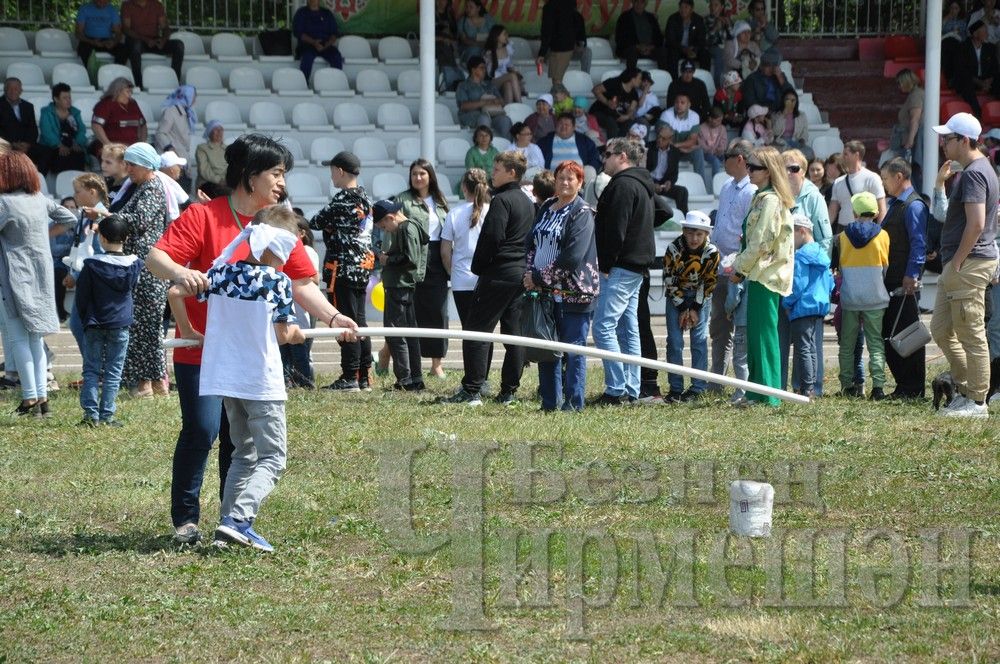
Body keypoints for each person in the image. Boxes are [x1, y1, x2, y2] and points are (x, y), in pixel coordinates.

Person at [147, 133, 358, 544]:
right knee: (202, 430)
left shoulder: (277, 224)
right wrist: (180, 273)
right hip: (204, 352)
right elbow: (158, 258)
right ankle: (186, 521)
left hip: (252, 356)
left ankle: (233, 522)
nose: (282, 183)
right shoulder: (203, 216)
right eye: (276, 173)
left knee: (237, 441)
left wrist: (333, 315)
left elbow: (300, 283)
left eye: (283, 174)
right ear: (249, 175)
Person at [167, 206, 306, 553]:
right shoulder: (277, 282)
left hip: (227, 379)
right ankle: (238, 520)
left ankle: (228, 529)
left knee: (243, 454)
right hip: (261, 380)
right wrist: (296, 335)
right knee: (273, 458)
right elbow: (282, 333)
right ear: (280, 249)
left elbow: (175, 292)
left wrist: (188, 330)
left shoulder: (222, 273)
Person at [443, 151, 534, 405]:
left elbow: (491, 238)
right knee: (513, 334)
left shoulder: (502, 201)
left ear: (511, 173)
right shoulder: (527, 201)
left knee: (477, 331)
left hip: (498, 273)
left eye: (497, 169)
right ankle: (508, 391)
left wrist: (479, 266)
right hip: (519, 274)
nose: (493, 173)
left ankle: (472, 390)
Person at [82, 143, 170, 398]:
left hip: (148, 268)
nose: (127, 168)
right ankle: (153, 383)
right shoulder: (142, 187)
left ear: (144, 165)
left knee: (146, 327)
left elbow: (137, 221)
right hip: (143, 266)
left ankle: (146, 384)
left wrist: (105, 216)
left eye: (131, 164)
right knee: (145, 327)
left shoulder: (151, 188)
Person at [930, 113, 999, 418]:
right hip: (961, 264)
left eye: (948, 138)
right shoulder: (975, 170)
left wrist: (957, 261)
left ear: (965, 141)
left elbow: (977, 223)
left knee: (971, 334)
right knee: (942, 329)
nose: (943, 143)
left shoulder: (973, 174)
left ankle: (977, 401)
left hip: (967, 263)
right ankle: (965, 388)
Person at [0, 151, 76, 415]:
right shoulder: (39, 198)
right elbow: (70, 218)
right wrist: (44, 234)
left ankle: (30, 397)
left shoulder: (4, 203)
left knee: (18, 338)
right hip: (40, 274)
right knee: (35, 338)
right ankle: (41, 397)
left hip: (14, 275)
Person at [524, 160, 599, 412]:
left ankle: (573, 404)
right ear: (554, 181)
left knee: (573, 350)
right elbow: (532, 243)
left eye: (571, 178)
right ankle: (549, 403)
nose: (565, 183)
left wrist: (539, 276)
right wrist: (530, 273)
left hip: (574, 293)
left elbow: (572, 256)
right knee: (547, 348)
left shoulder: (583, 212)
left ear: (580, 183)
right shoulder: (546, 206)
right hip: (543, 293)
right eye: (561, 178)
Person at [591, 137, 654, 405]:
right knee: (628, 329)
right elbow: (662, 211)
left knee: (603, 328)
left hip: (620, 266)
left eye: (608, 154)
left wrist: (605, 264)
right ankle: (631, 387)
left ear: (623, 157)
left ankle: (616, 390)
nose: (603, 159)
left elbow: (616, 229)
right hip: (636, 266)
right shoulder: (643, 184)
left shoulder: (623, 185)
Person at [730, 145, 794, 406]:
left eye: (754, 167)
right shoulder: (761, 197)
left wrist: (738, 269)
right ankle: (757, 392)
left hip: (766, 275)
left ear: (768, 171)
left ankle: (768, 396)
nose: (748, 171)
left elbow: (761, 241)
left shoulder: (770, 201)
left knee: (764, 336)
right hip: (759, 274)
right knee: (756, 336)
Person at [309, 150, 374, 392]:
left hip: (343, 268)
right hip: (363, 265)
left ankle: (350, 376)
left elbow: (315, 221)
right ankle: (364, 375)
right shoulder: (365, 198)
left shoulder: (342, 200)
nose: (331, 176)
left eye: (332, 171)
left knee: (345, 321)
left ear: (340, 171)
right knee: (360, 321)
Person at [75, 214, 143, 427]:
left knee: (92, 369)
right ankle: (107, 415)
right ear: (126, 238)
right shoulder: (134, 265)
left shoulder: (92, 264)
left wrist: (86, 317)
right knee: (114, 371)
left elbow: (82, 297)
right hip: (120, 323)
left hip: (95, 322)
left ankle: (90, 415)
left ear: (102, 238)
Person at [708, 138, 756, 391]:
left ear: (739, 159)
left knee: (741, 330)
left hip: (740, 268)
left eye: (726, 157)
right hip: (719, 266)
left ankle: (742, 386)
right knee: (719, 327)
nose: (722, 161)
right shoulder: (727, 186)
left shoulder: (753, 191)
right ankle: (717, 380)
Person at [397, 159, 451, 380]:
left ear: (430, 176)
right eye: (414, 174)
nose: (418, 178)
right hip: (412, 256)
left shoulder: (440, 200)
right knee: (410, 312)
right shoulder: (403, 199)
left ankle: (436, 363)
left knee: (438, 312)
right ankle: (394, 355)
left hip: (437, 257)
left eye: (422, 174)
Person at [833, 191, 890, 400]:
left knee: (847, 345)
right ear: (875, 212)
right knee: (875, 343)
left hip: (850, 298)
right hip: (876, 298)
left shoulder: (842, 237)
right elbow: (885, 267)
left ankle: (847, 386)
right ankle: (878, 388)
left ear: (855, 211)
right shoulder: (883, 235)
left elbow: (839, 267)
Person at [879, 157, 927, 399]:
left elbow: (918, 243)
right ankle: (904, 385)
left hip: (904, 282)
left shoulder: (913, 206)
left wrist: (912, 273)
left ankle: (913, 388)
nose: (884, 184)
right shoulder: (897, 203)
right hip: (893, 280)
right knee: (892, 333)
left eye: (886, 178)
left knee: (908, 334)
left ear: (899, 177)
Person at [662, 210, 720, 402]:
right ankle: (676, 388)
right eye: (690, 233)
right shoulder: (673, 249)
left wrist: (694, 308)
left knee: (699, 341)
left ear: (706, 235)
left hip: (701, 296)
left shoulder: (712, 253)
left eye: (699, 234)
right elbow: (669, 279)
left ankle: (698, 387)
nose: (694, 238)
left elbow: (709, 282)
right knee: (675, 342)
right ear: (683, 231)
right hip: (675, 295)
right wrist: (681, 308)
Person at [374, 199, 429, 391]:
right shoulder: (409, 227)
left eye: (384, 226)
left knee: (396, 333)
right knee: (408, 333)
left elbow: (409, 258)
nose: (386, 230)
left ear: (391, 217)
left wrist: (387, 259)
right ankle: (414, 377)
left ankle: (405, 379)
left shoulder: (405, 228)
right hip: (403, 286)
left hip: (399, 285)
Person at [779, 214, 832, 397]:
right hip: (818, 307)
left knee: (802, 349)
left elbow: (797, 284)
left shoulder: (801, 256)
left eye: (790, 233)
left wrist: (786, 302)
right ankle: (811, 386)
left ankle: (806, 388)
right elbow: (830, 283)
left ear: (802, 231)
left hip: (802, 307)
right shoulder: (821, 254)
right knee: (811, 348)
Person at [441, 168, 490, 328]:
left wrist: (451, 272)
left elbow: (445, 252)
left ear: (464, 187)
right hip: (485, 278)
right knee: (485, 331)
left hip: (461, 278)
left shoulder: (454, 213)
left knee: (467, 329)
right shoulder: (492, 210)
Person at [281, 215, 319, 388]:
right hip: (287, 308)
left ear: (302, 233)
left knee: (299, 349)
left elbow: (314, 278)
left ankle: (305, 381)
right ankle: (287, 380)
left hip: (300, 309)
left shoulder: (307, 251)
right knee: (285, 349)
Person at [121, 0, 184, 89]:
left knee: (179, 45)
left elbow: (165, 27)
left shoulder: (157, 5)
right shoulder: (127, 5)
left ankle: (175, 82)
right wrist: (145, 39)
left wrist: (163, 40)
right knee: (135, 46)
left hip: (154, 40)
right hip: (138, 40)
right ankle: (138, 84)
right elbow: (126, 29)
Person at [828, 140, 887, 233]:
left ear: (856, 155)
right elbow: (832, 211)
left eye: (846, 154)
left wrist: (880, 232)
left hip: (864, 230)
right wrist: (824, 231)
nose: (842, 157)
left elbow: (882, 208)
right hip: (842, 230)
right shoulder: (838, 182)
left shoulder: (872, 178)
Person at [659, 93, 710, 191]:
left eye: (682, 102)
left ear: (689, 105)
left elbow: (692, 140)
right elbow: (664, 140)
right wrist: (679, 148)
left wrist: (678, 146)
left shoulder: (694, 116)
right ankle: (665, 186)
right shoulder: (666, 115)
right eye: (677, 102)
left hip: (683, 149)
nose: (679, 105)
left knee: (698, 152)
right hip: (669, 150)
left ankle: (702, 187)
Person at [456, 56, 512, 139]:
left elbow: (502, 102)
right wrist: (485, 102)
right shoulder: (463, 86)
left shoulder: (490, 85)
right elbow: (463, 106)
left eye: (485, 68)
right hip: (471, 115)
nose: (484, 70)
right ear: (473, 70)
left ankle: (507, 149)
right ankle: (485, 148)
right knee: (484, 118)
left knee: (505, 120)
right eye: (481, 68)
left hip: (492, 114)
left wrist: (497, 101)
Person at [91, 78, 146, 159]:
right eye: (127, 92)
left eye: (131, 92)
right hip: (112, 149)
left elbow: (143, 125)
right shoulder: (105, 104)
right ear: (118, 91)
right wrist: (109, 146)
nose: (130, 95)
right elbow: (96, 126)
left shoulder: (133, 104)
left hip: (132, 149)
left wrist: (141, 144)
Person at [536, 0, 589, 86]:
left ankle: (567, 99)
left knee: (557, 83)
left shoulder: (550, 7)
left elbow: (547, 31)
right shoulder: (570, 5)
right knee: (557, 83)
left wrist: (542, 53)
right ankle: (566, 98)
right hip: (567, 47)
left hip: (559, 48)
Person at [38, 83, 87, 175]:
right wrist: (59, 145)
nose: (69, 101)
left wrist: (77, 143)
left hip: (72, 144)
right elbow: (47, 132)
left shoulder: (75, 112)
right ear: (56, 99)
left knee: (79, 154)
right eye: (65, 98)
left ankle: (79, 184)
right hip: (52, 146)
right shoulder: (46, 112)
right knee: (61, 155)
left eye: (69, 97)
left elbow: (82, 130)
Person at [537, 113, 602, 182]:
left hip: (578, 178)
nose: (563, 127)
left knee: (590, 170)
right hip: (554, 178)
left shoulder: (584, 141)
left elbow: (594, 158)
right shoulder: (545, 141)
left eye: (567, 125)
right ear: (556, 125)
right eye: (560, 124)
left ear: (573, 127)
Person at [0, 78, 46, 171]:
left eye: (16, 88)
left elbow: (33, 128)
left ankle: (38, 179)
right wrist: (13, 144)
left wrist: (27, 144)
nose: (13, 91)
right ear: (5, 89)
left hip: (26, 144)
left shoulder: (28, 106)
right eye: (10, 88)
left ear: (21, 91)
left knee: (46, 151)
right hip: (7, 145)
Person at [292, 0, 343, 79]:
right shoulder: (301, 13)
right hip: (307, 45)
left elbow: (334, 33)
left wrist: (326, 44)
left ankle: (337, 81)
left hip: (325, 45)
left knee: (336, 56)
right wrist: (313, 42)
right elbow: (298, 33)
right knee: (307, 57)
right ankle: (304, 84)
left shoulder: (327, 13)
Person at [646, 124, 689, 214]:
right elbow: (642, 170)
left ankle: (685, 221)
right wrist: (652, 184)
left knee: (682, 191)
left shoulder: (675, 152)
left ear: (670, 139)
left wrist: (670, 182)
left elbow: (674, 174)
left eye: (663, 138)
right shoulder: (648, 147)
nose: (659, 140)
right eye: (658, 137)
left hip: (663, 185)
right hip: (648, 183)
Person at [614, 0, 669, 70]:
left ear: (645, 4)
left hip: (650, 49)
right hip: (633, 49)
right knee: (632, 52)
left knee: (663, 51)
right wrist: (638, 47)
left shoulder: (651, 17)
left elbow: (659, 37)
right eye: (636, 2)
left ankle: (663, 77)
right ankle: (631, 77)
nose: (639, 5)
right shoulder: (624, 17)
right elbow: (620, 39)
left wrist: (651, 47)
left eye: (641, 2)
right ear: (633, 3)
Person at [886, 69, 923, 172]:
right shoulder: (915, 94)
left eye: (900, 83)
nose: (899, 86)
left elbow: (915, 118)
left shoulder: (915, 95)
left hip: (914, 143)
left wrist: (910, 141)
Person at [590, 69, 642, 141]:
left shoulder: (634, 93)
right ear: (632, 78)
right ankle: (612, 150)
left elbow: (631, 109)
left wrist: (626, 117)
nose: (641, 81)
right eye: (639, 78)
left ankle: (620, 147)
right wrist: (607, 102)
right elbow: (595, 90)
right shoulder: (614, 82)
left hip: (617, 114)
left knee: (629, 123)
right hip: (601, 111)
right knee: (612, 123)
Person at [75, 0, 128, 70]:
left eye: (105, 1)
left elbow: (118, 33)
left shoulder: (112, 10)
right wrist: (92, 41)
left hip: (107, 41)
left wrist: (114, 42)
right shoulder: (84, 9)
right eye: (99, 1)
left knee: (124, 49)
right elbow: (78, 33)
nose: (102, 2)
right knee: (83, 49)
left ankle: (115, 73)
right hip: (89, 41)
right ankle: (89, 75)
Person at [740, 48, 792, 114]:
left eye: (774, 66)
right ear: (761, 66)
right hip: (760, 116)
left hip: (779, 114)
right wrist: (766, 112)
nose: (772, 69)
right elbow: (750, 102)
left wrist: (781, 80)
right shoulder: (752, 79)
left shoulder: (780, 76)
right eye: (768, 65)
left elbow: (791, 95)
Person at [665, 0, 710, 75]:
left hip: (692, 49)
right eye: (681, 7)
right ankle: (674, 81)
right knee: (672, 53)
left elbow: (701, 39)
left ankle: (704, 79)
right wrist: (684, 49)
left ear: (692, 9)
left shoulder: (698, 20)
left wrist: (695, 49)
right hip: (678, 49)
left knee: (705, 54)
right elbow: (670, 40)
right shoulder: (673, 19)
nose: (683, 10)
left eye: (686, 7)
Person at [155, 86, 196, 167]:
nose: (195, 100)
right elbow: (160, 133)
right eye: (194, 96)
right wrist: (169, 148)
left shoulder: (188, 112)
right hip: (171, 162)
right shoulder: (171, 111)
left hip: (182, 158)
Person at [483, 25, 524, 105]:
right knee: (511, 76)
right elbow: (488, 73)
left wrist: (518, 75)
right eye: (504, 34)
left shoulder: (508, 49)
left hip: (505, 79)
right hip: (493, 81)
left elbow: (510, 66)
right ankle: (520, 104)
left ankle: (509, 110)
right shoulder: (489, 52)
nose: (507, 36)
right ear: (497, 36)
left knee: (508, 84)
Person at [435, 0, 463, 91]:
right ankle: (451, 81)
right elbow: (426, 37)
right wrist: (443, 39)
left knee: (447, 47)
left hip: (449, 46)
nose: (441, 2)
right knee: (443, 47)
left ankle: (452, 78)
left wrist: (449, 39)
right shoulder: (430, 14)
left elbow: (455, 36)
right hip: (435, 45)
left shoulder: (450, 15)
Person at [771, 89, 809, 155]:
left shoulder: (801, 115)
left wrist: (801, 142)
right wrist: (783, 114)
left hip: (795, 142)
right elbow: (775, 132)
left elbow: (805, 132)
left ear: (796, 102)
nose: (790, 102)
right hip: (780, 143)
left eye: (793, 100)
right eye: (787, 100)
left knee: (809, 152)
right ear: (783, 101)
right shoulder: (775, 114)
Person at [195, 120, 227, 197]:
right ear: (209, 132)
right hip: (207, 183)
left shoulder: (227, 148)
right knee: (228, 193)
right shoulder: (202, 148)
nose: (219, 132)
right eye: (216, 129)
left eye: (221, 129)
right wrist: (220, 180)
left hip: (226, 182)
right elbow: (204, 170)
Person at [705, 0, 733, 86]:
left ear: (721, 7)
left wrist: (728, 26)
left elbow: (733, 37)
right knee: (719, 52)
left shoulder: (727, 19)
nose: (713, 7)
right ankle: (718, 85)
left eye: (716, 5)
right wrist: (715, 28)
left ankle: (734, 85)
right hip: (712, 47)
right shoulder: (705, 19)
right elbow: (706, 40)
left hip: (726, 47)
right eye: (711, 5)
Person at [699, 105, 728, 184]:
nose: (720, 123)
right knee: (715, 161)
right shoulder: (701, 128)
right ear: (710, 119)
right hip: (706, 153)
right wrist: (711, 150)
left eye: (720, 120)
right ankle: (716, 183)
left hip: (719, 152)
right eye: (717, 120)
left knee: (730, 159)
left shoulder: (722, 128)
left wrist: (720, 149)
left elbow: (724, 142)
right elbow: (701, 144)